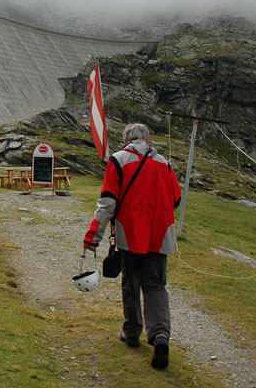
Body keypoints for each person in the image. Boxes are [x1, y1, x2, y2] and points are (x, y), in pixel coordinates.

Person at [83, 123, 182, 370]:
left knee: (131, 282)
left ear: (126, 139)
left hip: (131, 234)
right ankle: (160, 336)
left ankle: (132, 332)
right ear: (147, 139)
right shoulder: (164, 163)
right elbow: (176, 199)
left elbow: (107, 203)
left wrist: (93, 237)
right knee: (156, 285)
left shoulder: (118, 160)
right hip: (160, 236)